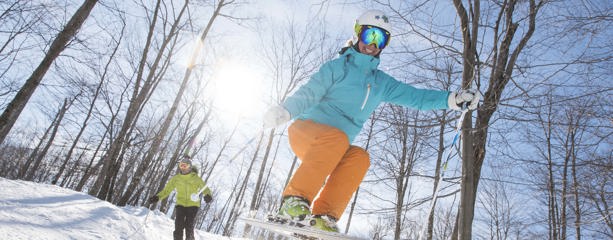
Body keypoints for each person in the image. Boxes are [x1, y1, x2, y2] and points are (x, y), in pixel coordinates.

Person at [262, 10, 480, 232]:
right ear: (358, 33)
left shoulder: (381, 83)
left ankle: (323, 217)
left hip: (335, 147)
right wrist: (286, 110)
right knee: (337, 138)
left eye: (381, 39)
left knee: (359, 158)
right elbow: (310, 92)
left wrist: (452, 99)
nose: (373, 44)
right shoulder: (338, 68)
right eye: (369, 35)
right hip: (306, 132)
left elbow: (417, 97)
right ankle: (293, 202)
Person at [149, 159, 213, 240]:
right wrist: (157, 197)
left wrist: (208, 195)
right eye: (181, 165)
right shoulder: (176, 179)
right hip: (180, 204)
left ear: (190, 167)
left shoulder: (195, 178)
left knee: (188, 225)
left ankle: (190, 238)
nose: (183, 168)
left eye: (185, 166)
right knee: (179, 225)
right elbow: (166, 190)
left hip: (193, 205)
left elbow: (205, 188)